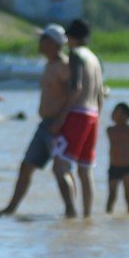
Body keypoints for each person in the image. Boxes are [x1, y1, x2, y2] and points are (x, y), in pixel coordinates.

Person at [0, 25, 72, 218]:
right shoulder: (49, 65)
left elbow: (72, 97)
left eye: (42, 39)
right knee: (26, 166)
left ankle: (71, 212)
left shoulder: (63, 67)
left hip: (58, 126)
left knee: (60, 169)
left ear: (52, 43)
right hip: (45, 124)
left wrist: (61, 122)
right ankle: (10, 209)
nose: (39, 43)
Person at [52, 18, 105, 218]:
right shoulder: (95, 58)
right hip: (93, 114)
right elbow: (100, 92)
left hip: (78, 113)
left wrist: (61, 118)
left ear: (70, 36)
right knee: (85, 170)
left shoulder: (75, 54)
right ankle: (87, 216)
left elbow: (76, 88)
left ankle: (70, 212)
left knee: (60, 166)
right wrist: (97, 115)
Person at [105, 102, 129, 215]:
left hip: (127, 167)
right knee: (112, 194)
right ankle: (108, 214)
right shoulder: (110, 130)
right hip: (114, 166)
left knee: (128, 194)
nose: (113, 114)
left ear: (125, 116)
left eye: (117, 112)